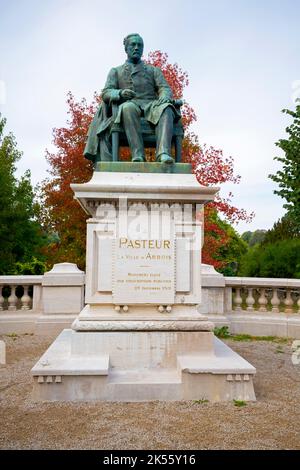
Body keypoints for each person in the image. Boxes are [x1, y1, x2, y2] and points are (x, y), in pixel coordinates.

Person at [84, 34, 180, 164]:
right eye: (133, 45)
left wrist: (164, 97)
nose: (136, 48)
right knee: (127, 108)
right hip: (130, 104)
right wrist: (120, 93)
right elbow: (106, 92)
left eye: (139, 45)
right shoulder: (116, 71)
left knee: (167, 108)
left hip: (151, 106)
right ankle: (138, 155)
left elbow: (164, 88)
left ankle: (163, 153)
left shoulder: (153, 71)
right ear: (126, 48)